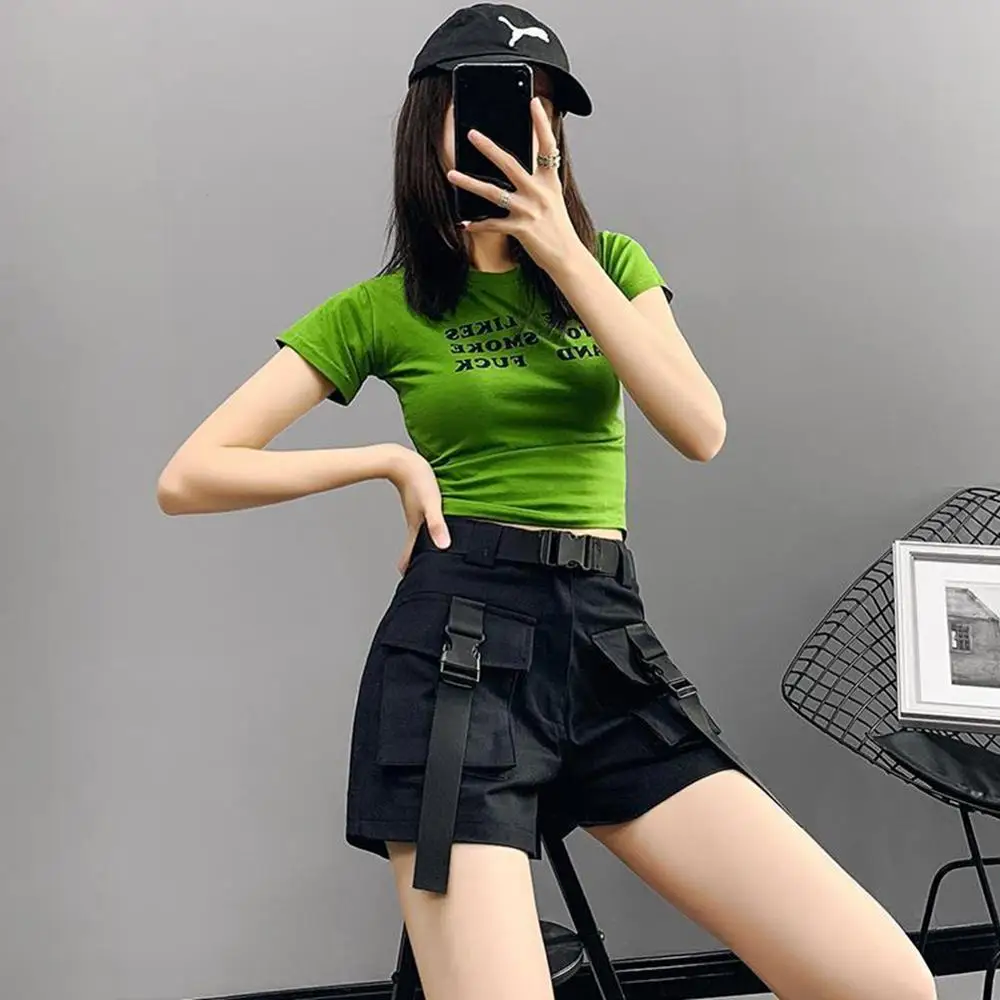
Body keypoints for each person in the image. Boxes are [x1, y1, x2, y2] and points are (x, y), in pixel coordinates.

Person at [157, 5, 937, 999]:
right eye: (492, 100)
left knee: (885, 983)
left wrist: (561, 249)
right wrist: (386, 463)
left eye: (542, 105)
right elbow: (190, 475)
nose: (522, 122)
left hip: (608, 646)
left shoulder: (612, 266)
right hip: (456, 654)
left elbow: (699, 428)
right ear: (431, 124)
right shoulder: (382, 309)